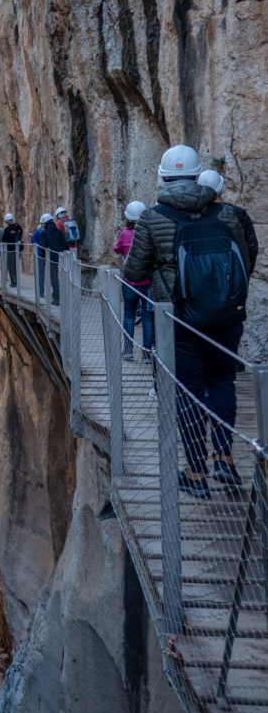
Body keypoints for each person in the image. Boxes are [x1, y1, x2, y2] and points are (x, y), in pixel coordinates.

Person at [124, 145, 251, 499]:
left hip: (178, 318)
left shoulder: (151, 217)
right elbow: (244, 259)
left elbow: (133, 270)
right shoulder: (227, 214)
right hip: (225, 317)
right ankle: (224, 457)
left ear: (163, 178)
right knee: (222, 383)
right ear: (198, 176)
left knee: (189, 391)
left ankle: (196, 472)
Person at [113, 201, 153, 361]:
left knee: (129, 315)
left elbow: (116, 249)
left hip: (130, 281)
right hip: (147, 281)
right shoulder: (149, 233)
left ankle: (128, 350)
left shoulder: (125, 234)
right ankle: (147, 354)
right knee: (147, 317)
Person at [198, 170, 259, 274]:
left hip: (201, 273)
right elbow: (251, 246)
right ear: (222, 189)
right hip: (234, 273)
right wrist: (246, 273)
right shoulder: (238, 213)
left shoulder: (192, 213)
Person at [31, 213, 66, 304]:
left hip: (51, 259)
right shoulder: (59, 232)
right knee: (64, 278)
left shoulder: (44, 233)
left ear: (44, 223)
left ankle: (56, 299)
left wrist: (42, 256)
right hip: (62, 257)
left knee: (54, 279)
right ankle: (64, 297)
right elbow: (65, 245)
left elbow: (43, 247)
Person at [1, 212, 24, 288]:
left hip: (10, 250)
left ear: (7, 221)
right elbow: (20, 235)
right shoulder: (18, 227)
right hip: (17, 250)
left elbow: (3, 239)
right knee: (15, 266)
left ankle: (13, 282)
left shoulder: (7, 229)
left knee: (10, 266)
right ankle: (17, 281)